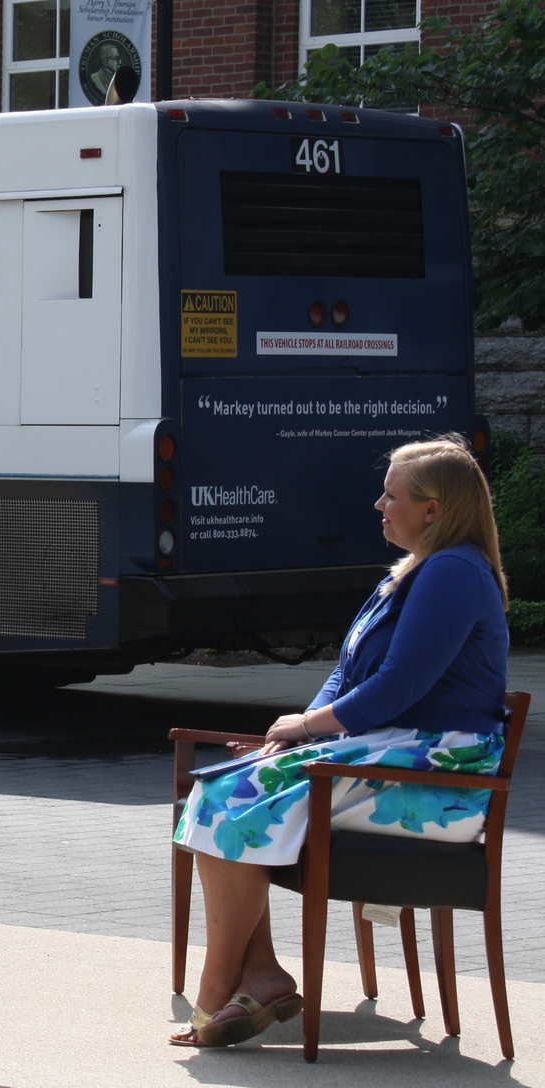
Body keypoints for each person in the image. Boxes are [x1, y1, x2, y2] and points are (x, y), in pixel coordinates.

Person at [170, 435, 511, 1048]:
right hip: (399, 749)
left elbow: (398, 686)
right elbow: (348, 673)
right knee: (222, 791)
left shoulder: (455, 571)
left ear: (433, 510)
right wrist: (298, 731)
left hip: (440, 775)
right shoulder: (416, 570)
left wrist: (304, 731)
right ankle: (261, 974)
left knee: (236, 794)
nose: (379, 505)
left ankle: (220, 983)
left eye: (393, 495)